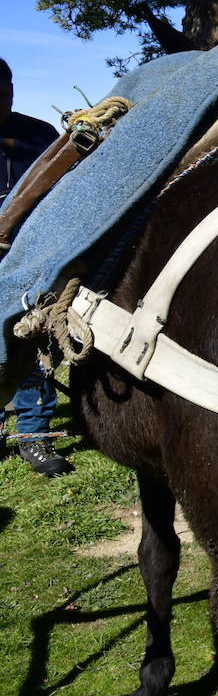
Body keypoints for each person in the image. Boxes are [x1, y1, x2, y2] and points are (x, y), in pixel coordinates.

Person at [0, 57, 74, 478]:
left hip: (30, 259)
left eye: (4, 89)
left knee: (31, 345)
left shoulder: (41, 137)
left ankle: (34, 437)